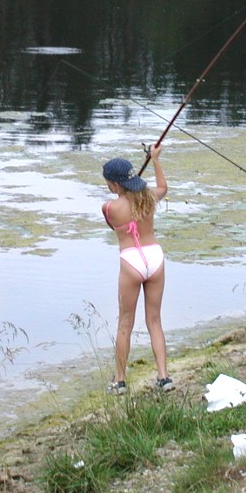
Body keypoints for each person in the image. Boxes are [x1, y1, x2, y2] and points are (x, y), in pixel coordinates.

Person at [101, 143, 172, 394]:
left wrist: (125, 194)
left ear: (116, 185)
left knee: (125, 323)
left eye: (109, 183)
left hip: (131, 260)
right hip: (155, 257)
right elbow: (163, 187)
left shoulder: (109, 208)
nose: (109, 187)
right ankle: (164, 377)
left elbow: (115, 223)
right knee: (154, 320)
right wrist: (155, 159)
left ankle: (119, 380)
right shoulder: (149, 198)